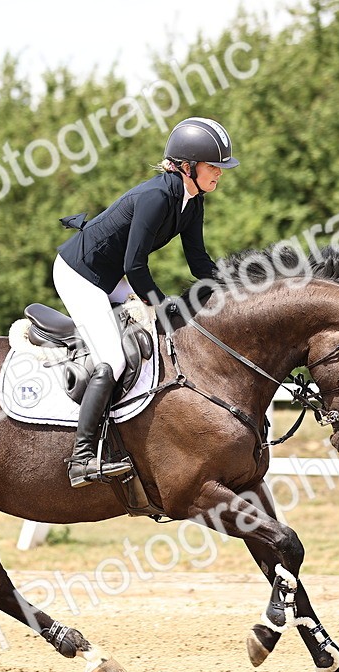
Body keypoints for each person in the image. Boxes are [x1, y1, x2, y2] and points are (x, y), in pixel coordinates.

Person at [54, 116, 239, 488]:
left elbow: (198, 260)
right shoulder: (156, 197)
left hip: (110, 277)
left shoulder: (192, 201)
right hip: (79, 274)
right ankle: (82, 458)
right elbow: (134, 265)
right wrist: (158, 302)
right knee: (114, 358)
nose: (220, 172)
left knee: (154, 342)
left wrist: (233, 284)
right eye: (213, 166)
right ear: (187, 166)